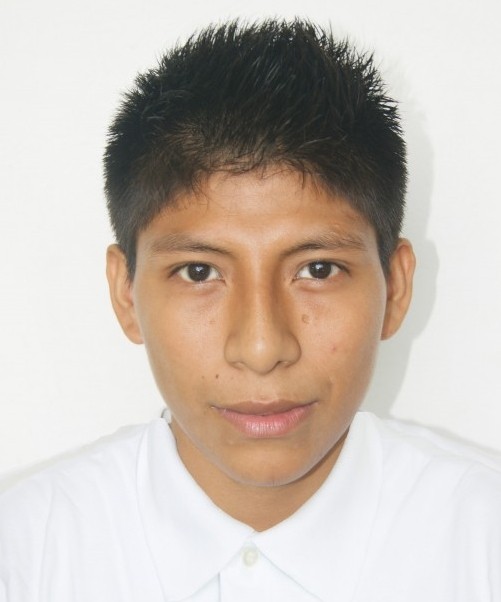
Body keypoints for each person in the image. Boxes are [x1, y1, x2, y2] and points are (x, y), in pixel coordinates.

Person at [0, 19, 500, 602]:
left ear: (395, 287)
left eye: (318, 269)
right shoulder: (25, 554)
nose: (262, 349)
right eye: (199, 272)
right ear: (125, 293)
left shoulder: (483, 543)